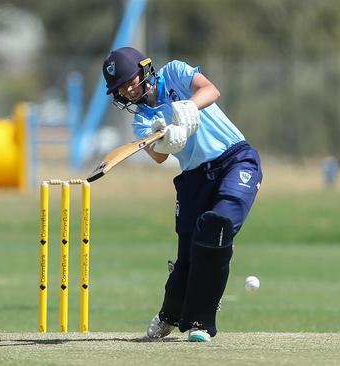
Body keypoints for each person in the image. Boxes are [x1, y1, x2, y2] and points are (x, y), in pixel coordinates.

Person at [102, 47, 262, 342]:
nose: (128, 89)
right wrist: (165, 141)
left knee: (217, 227)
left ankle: (202, 324)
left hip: (234, 160)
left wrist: (188, 108)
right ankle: (170, 315)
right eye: (121, 87)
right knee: (187, 256)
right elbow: (159, 156)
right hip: (194, 177)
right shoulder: (142, 120)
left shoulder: (174, 72)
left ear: (144, 69)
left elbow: (210, 90)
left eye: (130, 80)